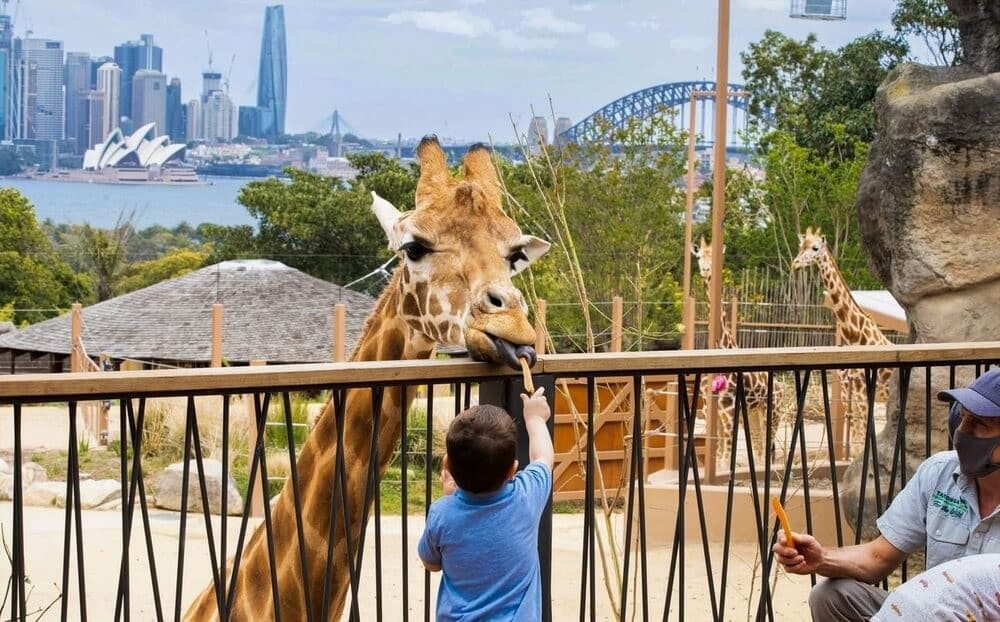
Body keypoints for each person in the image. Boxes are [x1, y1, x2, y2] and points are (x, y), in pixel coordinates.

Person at [773, 368, 1000, 621]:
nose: (962, 431)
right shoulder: (939, 473)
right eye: (963, 417)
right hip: (932, 610)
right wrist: (821, 558)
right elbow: (877, 557)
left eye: (979, 423)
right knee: (832, 595)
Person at [417, 387, 553, 621]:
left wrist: (448, 498)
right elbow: (543, 457)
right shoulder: (526, 496)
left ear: (447, 466)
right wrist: (535, 419)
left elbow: (431, 564)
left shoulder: (441, 513)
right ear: (513, 470)